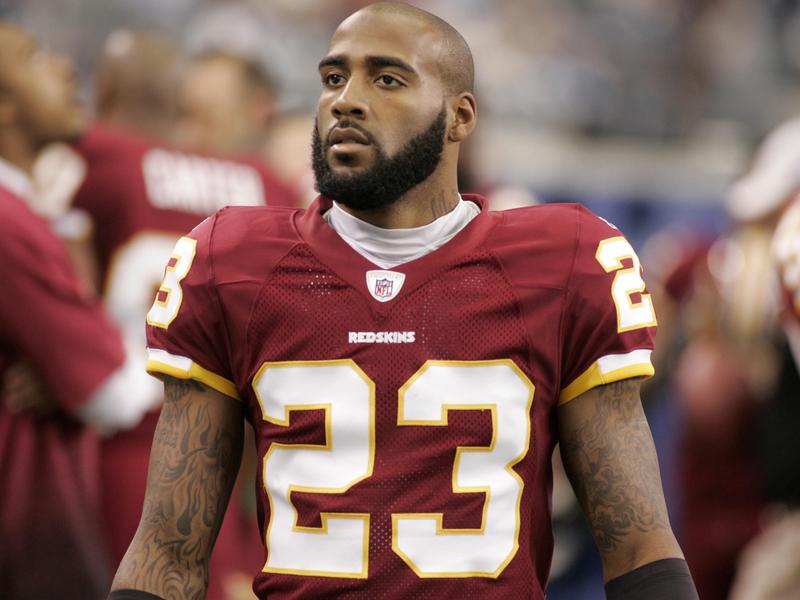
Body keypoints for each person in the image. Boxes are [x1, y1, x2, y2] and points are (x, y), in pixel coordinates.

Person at [110, 3, 698, 599]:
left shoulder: (561, 263)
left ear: (459, 117)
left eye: (387, 79)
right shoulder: (232, 263)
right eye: (334, 78)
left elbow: (639, 544)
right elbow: (167, 552)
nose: (347, 100)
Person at [0, 23, 158, 600]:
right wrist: (90, 368)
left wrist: (67, 367)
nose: (66, 70)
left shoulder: (29, 211)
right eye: (34, 57)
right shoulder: (8, 220)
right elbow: (112, 393)